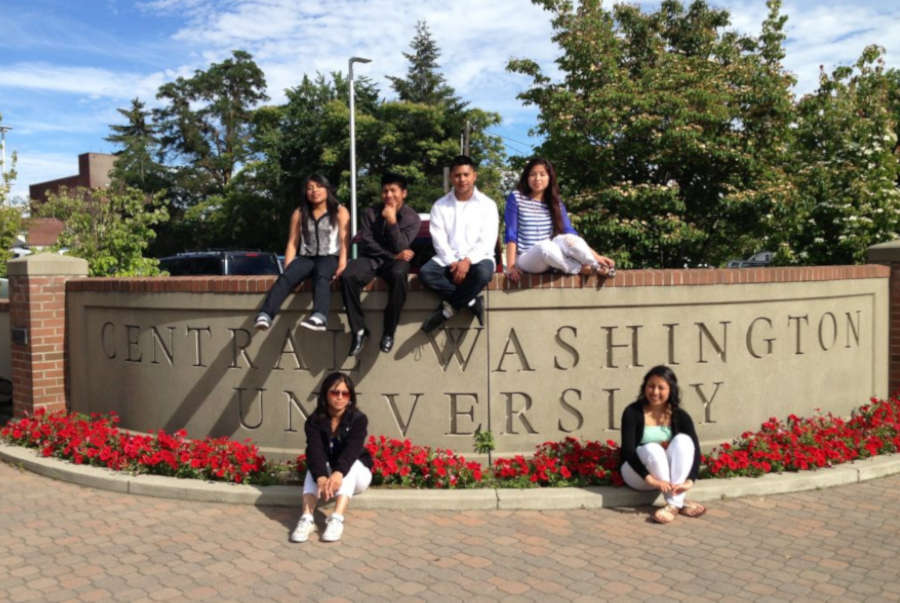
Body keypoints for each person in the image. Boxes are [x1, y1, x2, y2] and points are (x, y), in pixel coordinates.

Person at [341, 173, 422, 356]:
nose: (389, 195)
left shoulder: (412, 218)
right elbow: (366, 242)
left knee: (400, 275)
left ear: (404, 193)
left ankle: (388, 331)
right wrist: (392, 256)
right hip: (372, 259)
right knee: (348, 275)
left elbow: (402, 245)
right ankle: (359, 330)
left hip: (395, 264)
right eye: (385, 191)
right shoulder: (370, 213)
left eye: (393, 190)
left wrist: (392, 221)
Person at [255, 175, 349, 332]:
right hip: (307, 257)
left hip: (329, 256)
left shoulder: (339, 211)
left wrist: (342, 264)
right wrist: (288, 266)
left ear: (327, 189)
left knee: (322, 275)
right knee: (285, 278)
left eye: (319, 186)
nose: (314, 191)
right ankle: (266, 314)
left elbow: (344, 241)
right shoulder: (299, 213)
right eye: (310, 188)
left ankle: (319, 316)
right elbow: (293, 242)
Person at [419, 155, 499, 333]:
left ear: (474, 176)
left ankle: (447, 311)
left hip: (479, 258)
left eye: (466, 175)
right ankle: (471, 301)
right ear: (451, 178)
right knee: (426, 274)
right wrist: (454, 262)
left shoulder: (488, 205)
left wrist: (467, 261)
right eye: (457, 175)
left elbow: (487, 241)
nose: (462, 179)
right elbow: (438, 239)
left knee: (483, 274)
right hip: (449, 259)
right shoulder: (440, 206)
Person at [291, 371, 373, 543]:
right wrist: (321, 477)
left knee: (349, 465)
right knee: (313, 468)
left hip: (358, 475)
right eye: (335, 392)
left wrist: (337, 473)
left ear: (350, 397)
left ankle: (336, 518)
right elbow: (314, 451)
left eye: (345, 393)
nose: (340, 397)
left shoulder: (358, 419)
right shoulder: (314, 421)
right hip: (330, 472)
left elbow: (352, 450)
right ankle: (307, 518)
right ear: (325, 394)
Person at [619, 365, 707, 524]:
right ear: (644, 387)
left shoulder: (680, 416)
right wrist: (651, 480)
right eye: (651, 386)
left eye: (661, 387)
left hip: (666, 482)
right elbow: (628, 451)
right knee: (654, 448)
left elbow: (695, 450)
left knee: (684, 440)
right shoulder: (632, 412)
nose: (655, 392)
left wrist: (691, 479)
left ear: (671, 390)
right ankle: (678, 504)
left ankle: (673, 505)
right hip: (638, 475)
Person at [504, 157, 615, 283]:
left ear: (549, 177)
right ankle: (578, 268)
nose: (537, 179)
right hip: (527, 257)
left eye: (542, 174)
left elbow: (570, 233)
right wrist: (511, 266)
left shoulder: (555, 202)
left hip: (552, 254)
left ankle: (596, 265)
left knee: (569, 239)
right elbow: (511, 233)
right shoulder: (516, 198)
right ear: (527, 177)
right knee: (545, 246)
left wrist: (597, 257)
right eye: (533, 175)